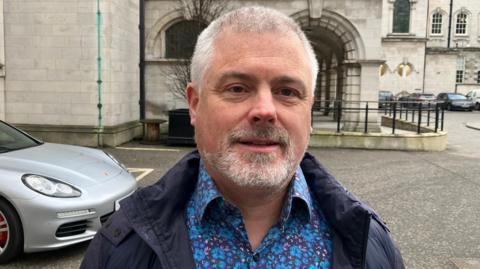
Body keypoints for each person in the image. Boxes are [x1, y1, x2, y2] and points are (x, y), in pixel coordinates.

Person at [81, 6, 404, 269]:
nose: (265, 110)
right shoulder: (121, 246)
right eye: (237, 88)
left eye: (287, 91)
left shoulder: (370, 245)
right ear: (195, 104)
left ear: (308, 110)